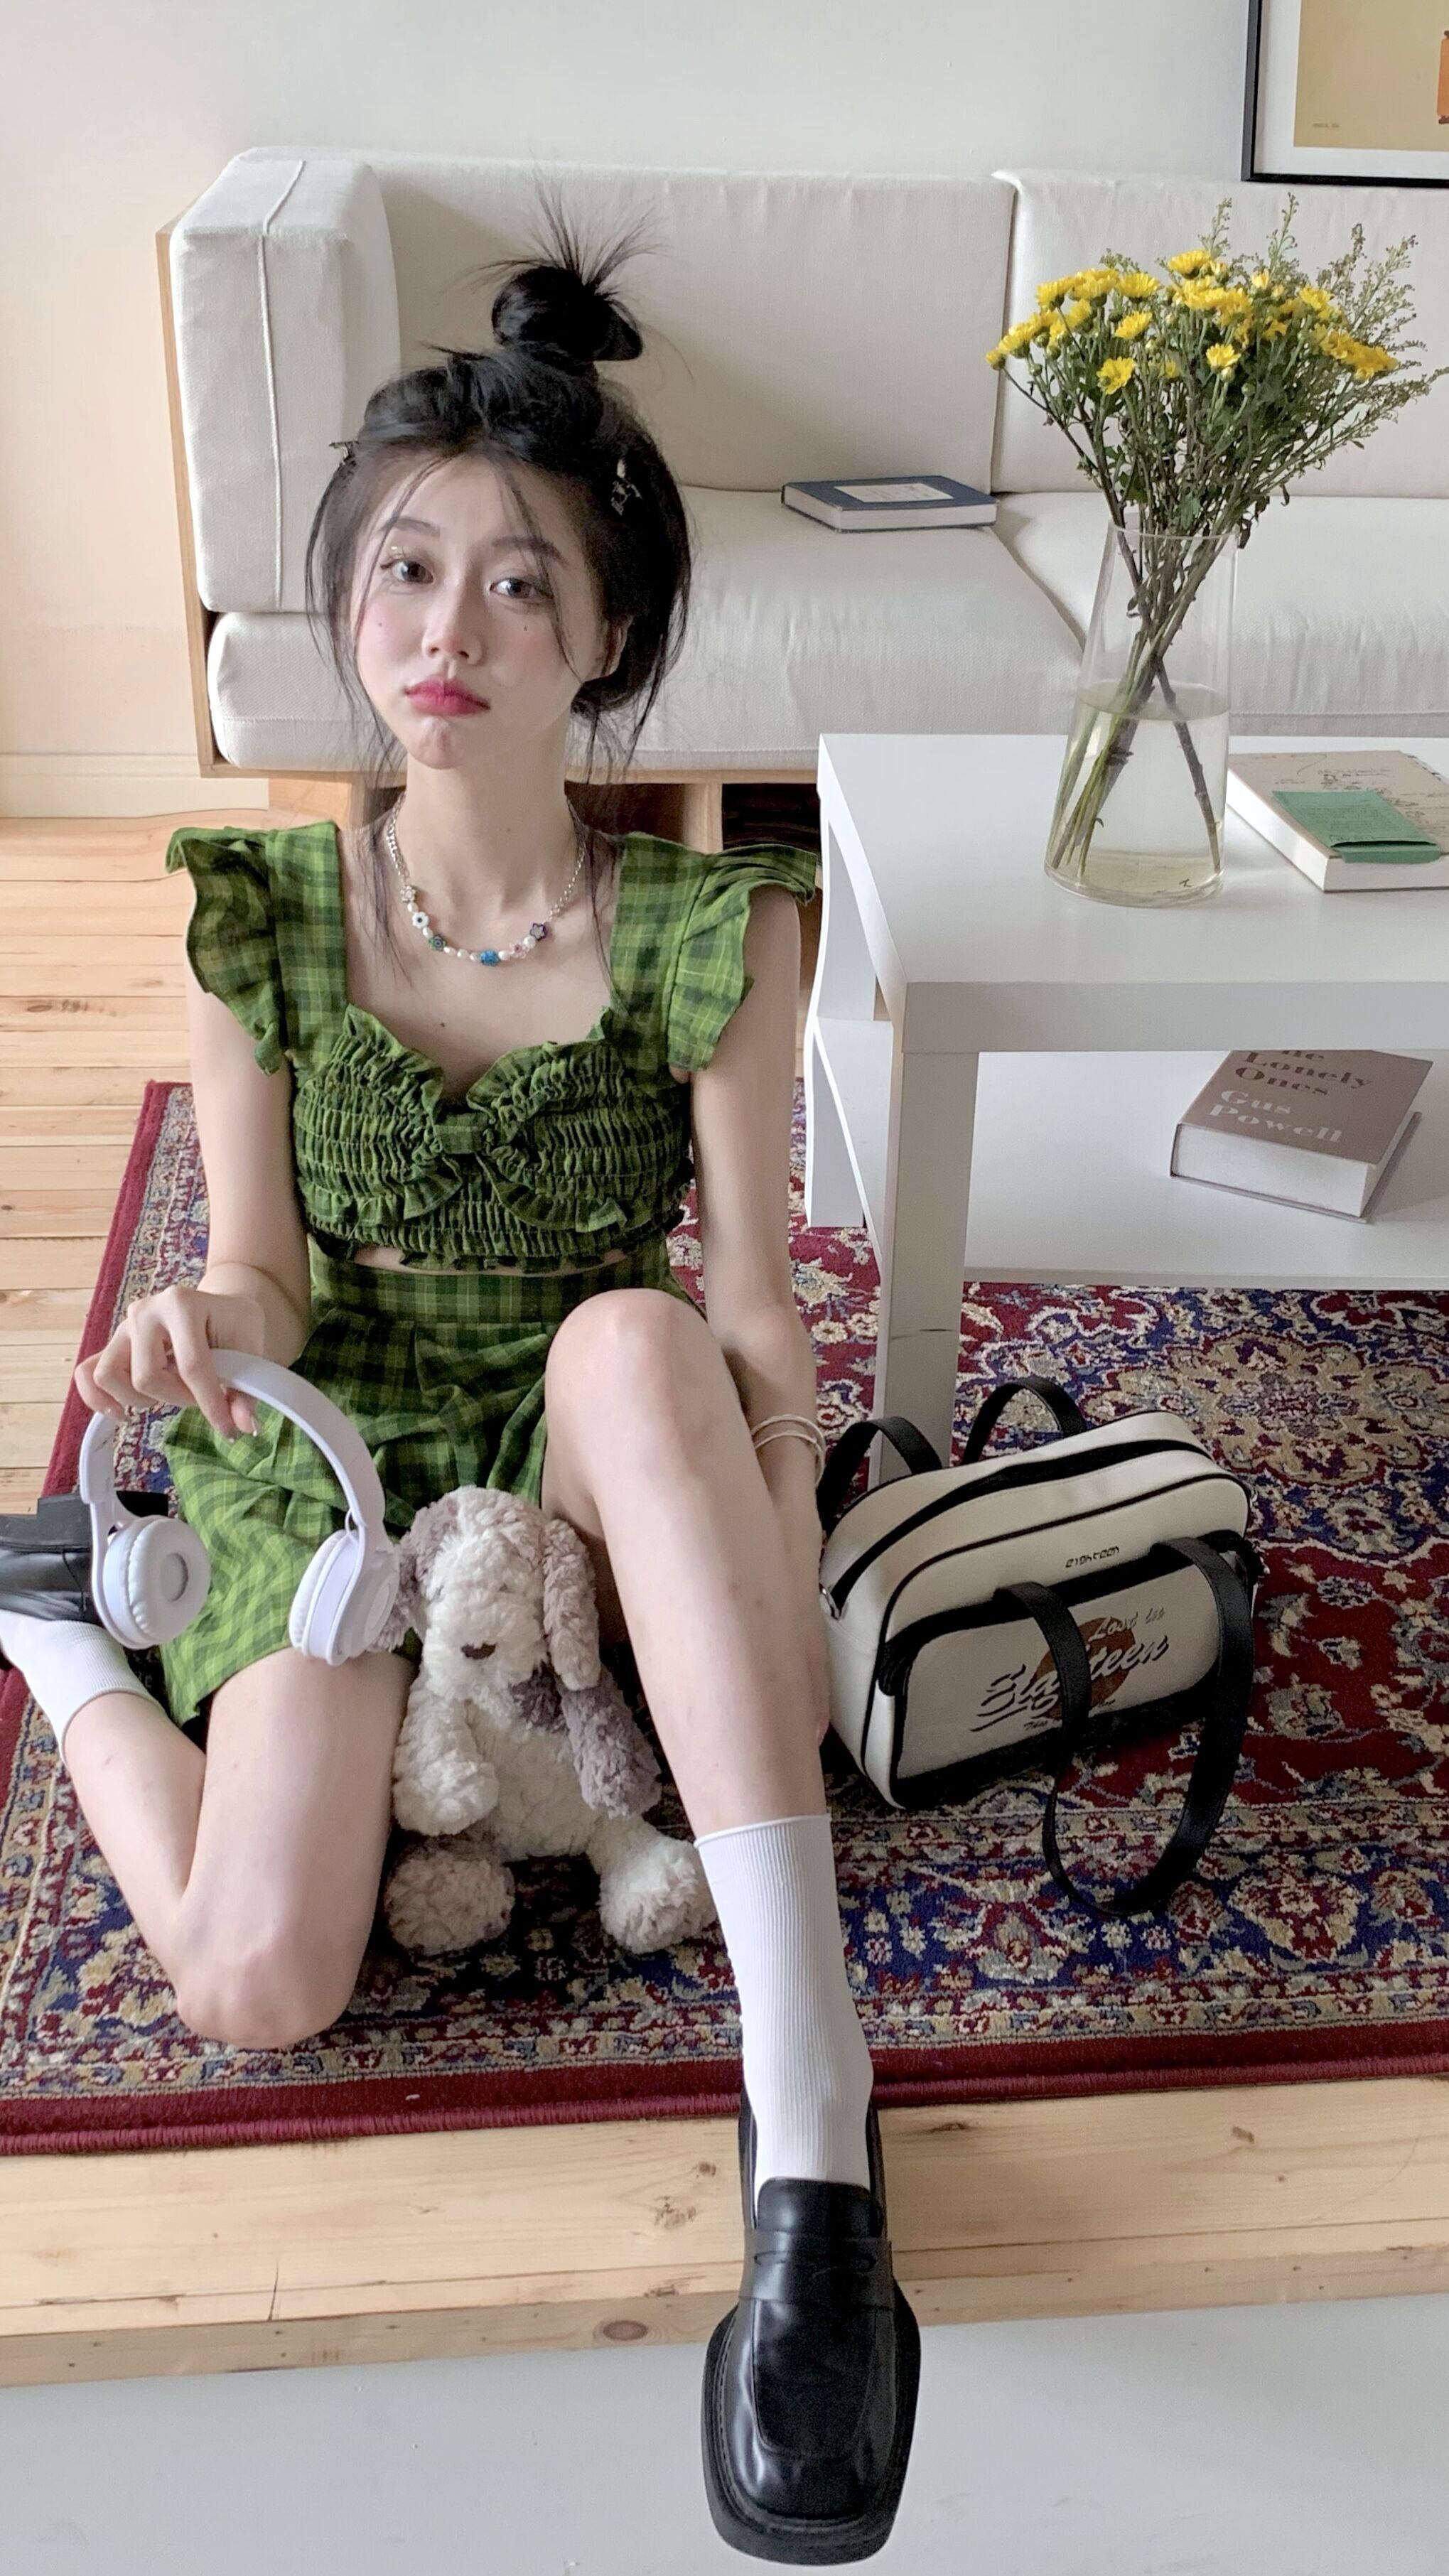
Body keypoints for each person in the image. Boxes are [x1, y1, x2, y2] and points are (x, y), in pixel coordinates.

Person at [0, 196, 918, 2559]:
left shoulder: (714, 925)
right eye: (405, 574)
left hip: (596, 1429)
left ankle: (814, 2129)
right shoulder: (263, 917)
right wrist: (202, 1325)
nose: (450, 632)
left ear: (606, 638)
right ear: (346, 610)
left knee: (632, 1327)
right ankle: (54, 1634)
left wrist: (775, 1506)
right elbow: (269, 1276)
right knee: (256, 1971)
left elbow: (743, 1300)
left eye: (520, 586)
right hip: (334, 1437)